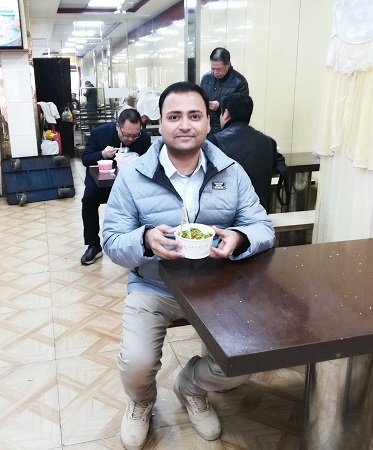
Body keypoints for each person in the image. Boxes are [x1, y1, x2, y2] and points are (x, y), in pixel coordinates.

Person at [102, 81, 275, 449]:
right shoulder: (133, 176)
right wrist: (145, 240)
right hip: (155, 285)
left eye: (194, 116)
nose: (185, 125)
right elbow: (112, 242)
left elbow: (262, 226)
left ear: (209, 122)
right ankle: (142, 401)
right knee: (136, 363)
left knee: (247, 357)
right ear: (159, 125)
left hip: (217, 285)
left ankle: (191, 386)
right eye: (174, 116)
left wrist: (240, 239)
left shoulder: (231, 171)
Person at [80, 108, 152, 265]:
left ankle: (136, 243)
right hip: (101, 183)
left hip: (131, 185)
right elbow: (85, 159)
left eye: (135, 135)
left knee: (145, 202)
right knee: (88, 200)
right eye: (126, 135)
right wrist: (102, 155)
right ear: (118, 127)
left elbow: (150, 163)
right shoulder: (100, 133)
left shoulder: (144, 138)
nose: (131, 139)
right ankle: (93, 245)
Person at [208, 93, 276, 211]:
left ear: (226, 114)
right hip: (260, 213)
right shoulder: (269, 142)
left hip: (226, 217)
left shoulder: (213, 142)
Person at [200, 47, 249, 136]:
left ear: (228, 65)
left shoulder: (239, 82)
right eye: (212, 68)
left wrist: (220, 107)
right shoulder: (206, 79)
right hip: (207, 128)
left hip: (228, 131)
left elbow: (242, 111)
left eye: (219, 69)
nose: (215, 72)